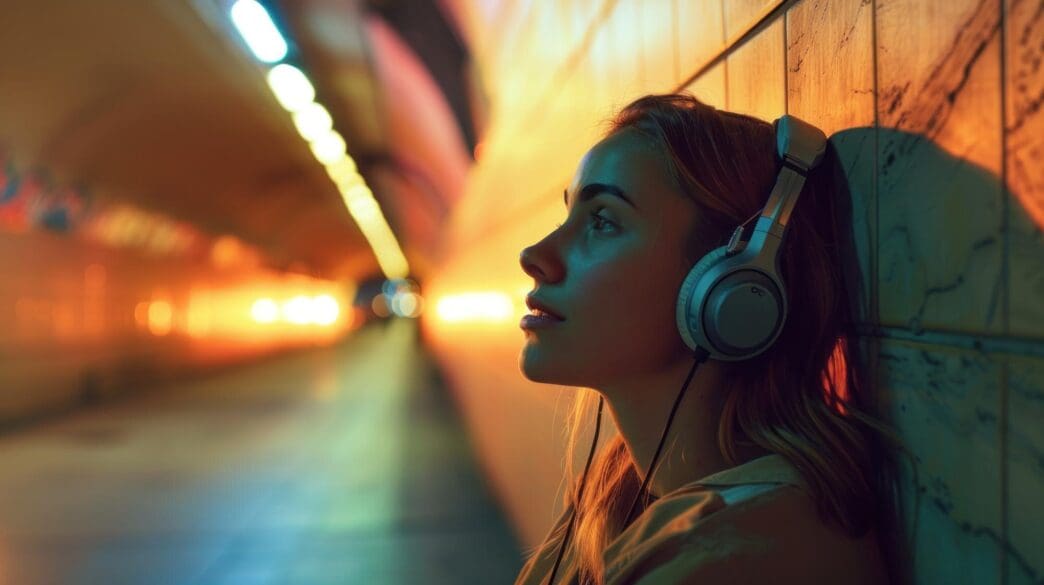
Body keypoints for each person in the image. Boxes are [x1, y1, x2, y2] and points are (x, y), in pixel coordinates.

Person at [514, 93, 908, 585]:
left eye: (602, 221)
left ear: (730, 291)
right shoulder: (619, 489)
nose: (535, 254)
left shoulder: (745, 555)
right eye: (570, 215)